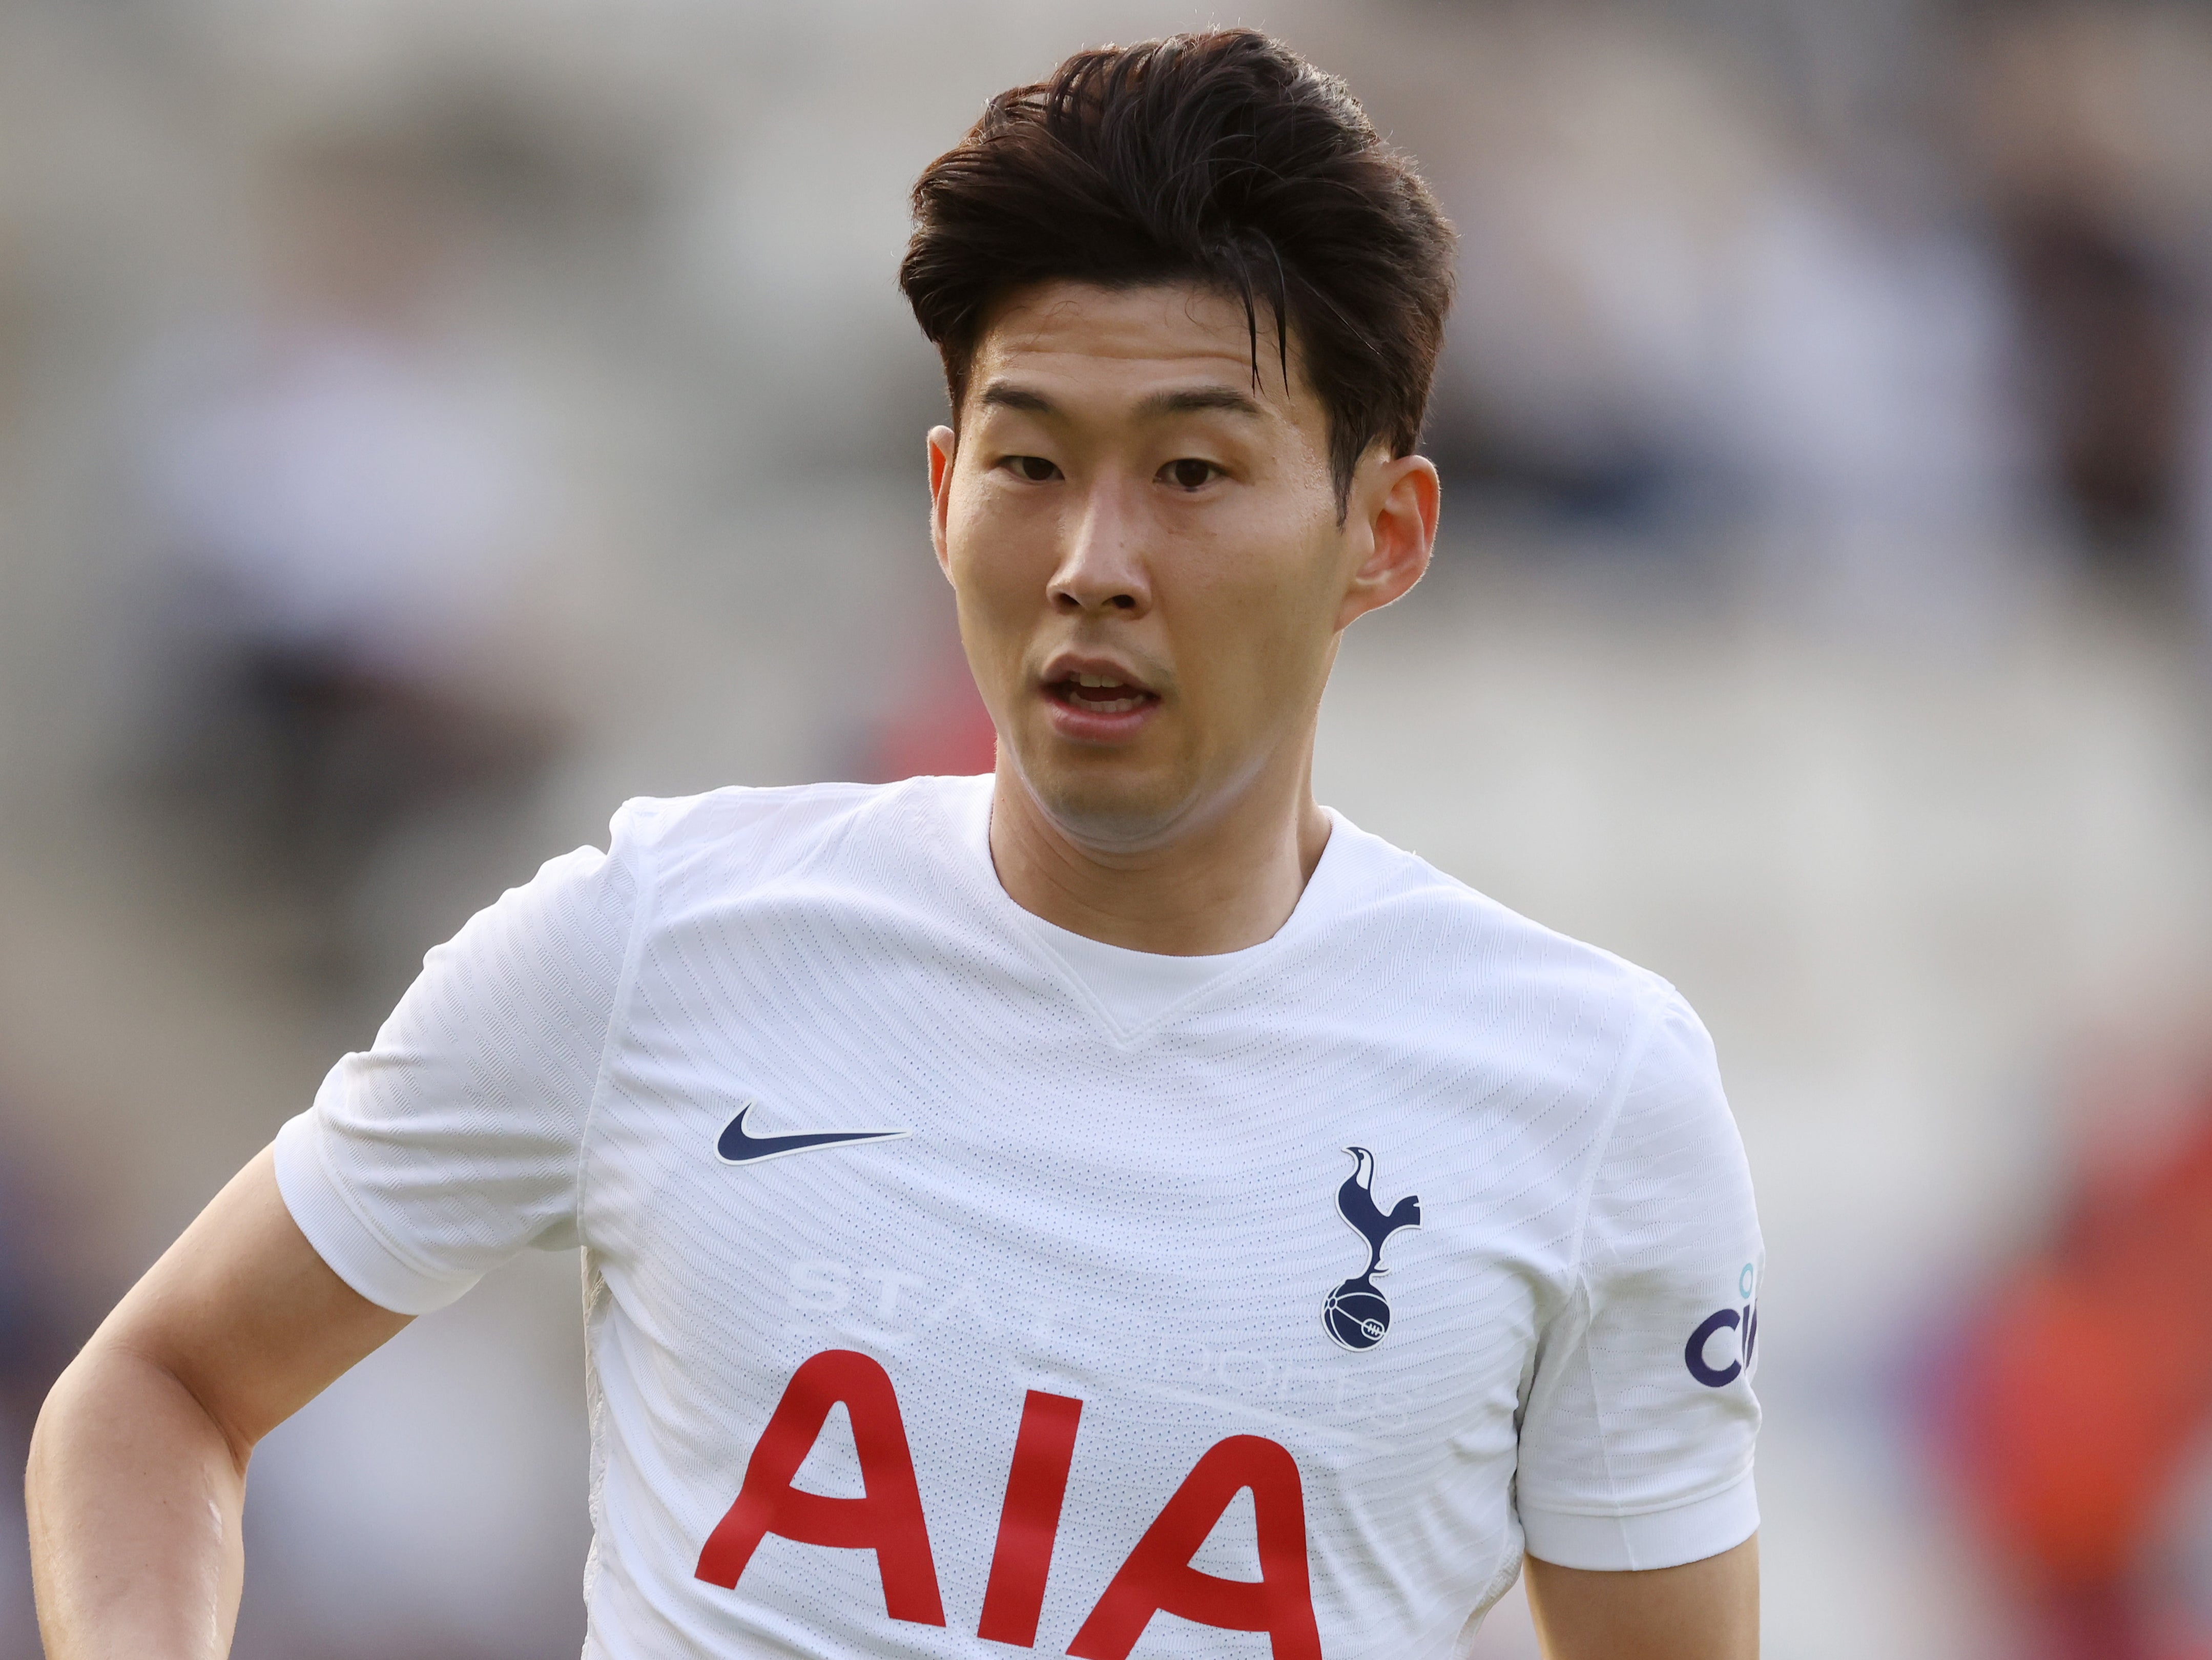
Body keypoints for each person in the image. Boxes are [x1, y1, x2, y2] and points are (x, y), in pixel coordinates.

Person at [27, 30, 1763, 1659]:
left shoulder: (1589, 1092)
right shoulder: (660, 941)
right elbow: (159, 1389)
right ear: (942, 498)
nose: (1093, 556)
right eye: (1029, 461)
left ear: (1383, 535)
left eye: (1194, 472)